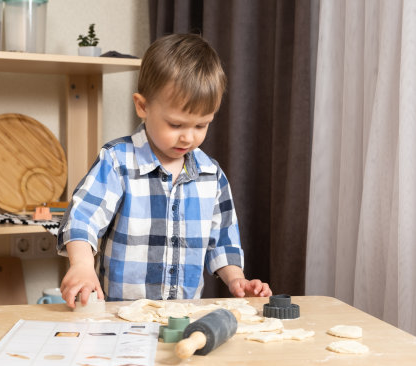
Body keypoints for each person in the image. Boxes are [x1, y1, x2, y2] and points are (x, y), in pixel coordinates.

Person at [56, 33, 272, 307]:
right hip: (120, 316)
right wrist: (83, 265)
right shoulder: (117, 162)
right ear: (142, 106)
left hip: (182, 317)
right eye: (176, 125)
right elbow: (82, 218)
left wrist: (236, 280)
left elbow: (223, 242)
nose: (188, 138)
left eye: (201, 126)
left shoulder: (211, 175)